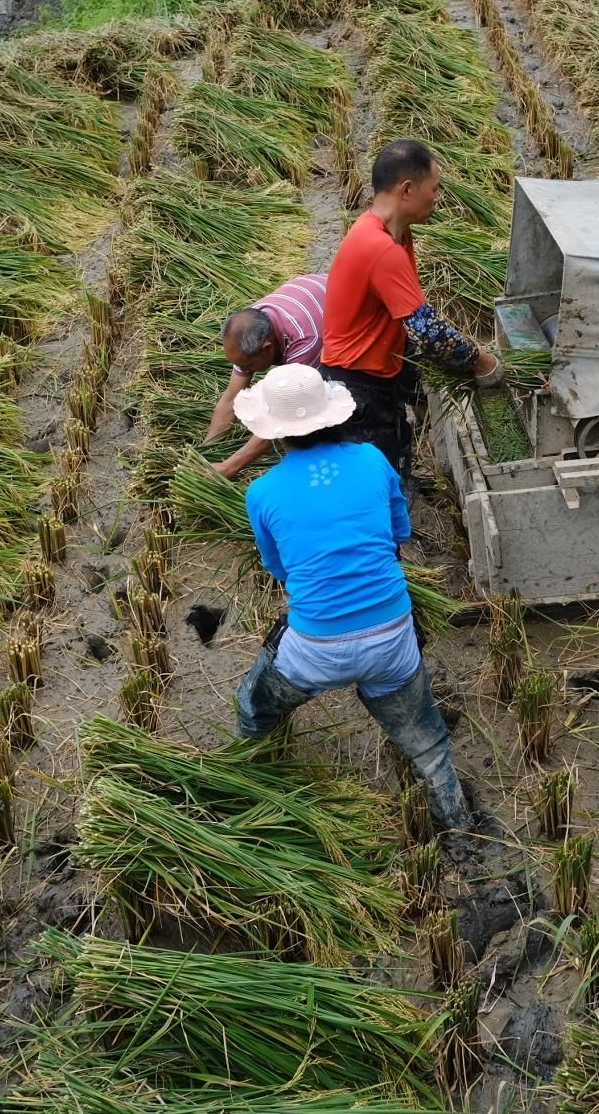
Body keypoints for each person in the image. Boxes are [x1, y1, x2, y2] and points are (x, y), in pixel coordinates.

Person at [230, 363, 472, 830]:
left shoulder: (262, 492)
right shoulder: (372, 460)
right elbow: (400, 532)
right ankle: (459, 823)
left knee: (254, 707)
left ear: (277, 434)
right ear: (335, 416)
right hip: (393, 643)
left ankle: (257, 789)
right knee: (428, 743)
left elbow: (278, 569)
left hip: (314, 652)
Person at [321, 139, 504, 479]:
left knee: (397, 454)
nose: (437, 198)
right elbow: (427, 331)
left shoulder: (393, 234)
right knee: (379, 480)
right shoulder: (380, 247)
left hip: (379, 369)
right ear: (407, 189)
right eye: (433, 189)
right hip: (358, 387)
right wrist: (483, 361)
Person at [203, 273, 328, 479]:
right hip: (310, 295)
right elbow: (232, 398)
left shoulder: (306, 341)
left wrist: (229, 467)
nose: (244, 369)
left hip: (352, 312)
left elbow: (286, 415)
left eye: (248, 365)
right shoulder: (251, 325)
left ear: (267, 349)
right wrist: (207, 452)